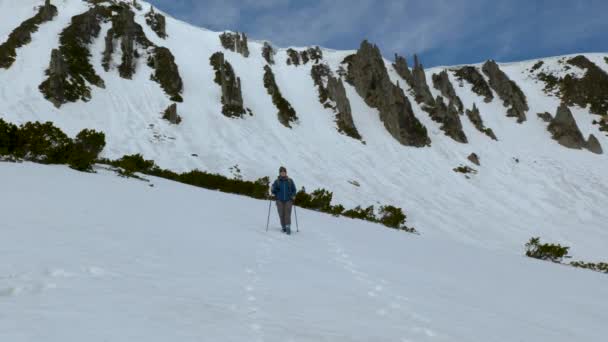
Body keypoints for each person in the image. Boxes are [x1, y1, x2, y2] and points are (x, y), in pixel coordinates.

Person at [271, 166, 297, 234]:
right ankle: (283, 227)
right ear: (279, 173)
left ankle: (288, 226)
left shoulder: (290, 181)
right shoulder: (277, 182)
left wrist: (293, 195)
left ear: (286, 173)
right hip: (279, 200)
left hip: (288, 200)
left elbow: (294, 189)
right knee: (281, 214)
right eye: (281, 172)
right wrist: (272, 189)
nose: (283, 173)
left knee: (287, 214)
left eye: (284, 172)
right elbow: (273, 191)